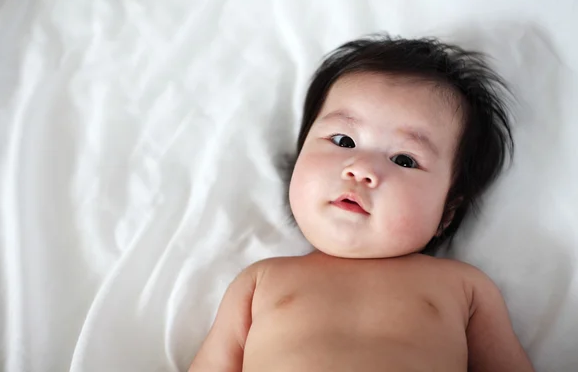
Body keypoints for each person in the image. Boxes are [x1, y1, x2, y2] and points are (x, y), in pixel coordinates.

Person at [189, 34, 535, 371]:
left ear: (446, 213)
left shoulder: (465, 288)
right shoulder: (259, 282)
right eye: (343, 140)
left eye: (404, 160)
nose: (361, 169)